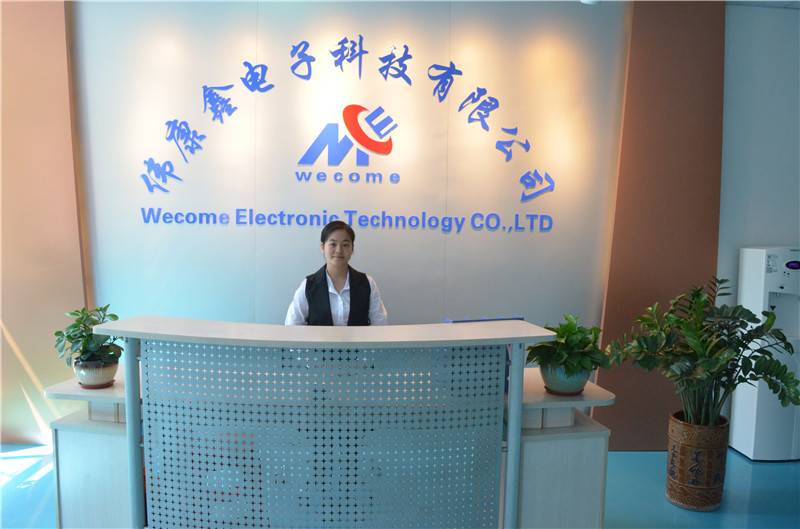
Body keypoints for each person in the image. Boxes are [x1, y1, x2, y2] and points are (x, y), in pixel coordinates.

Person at [285, 220, 388, 326]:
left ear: (352, 248)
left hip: (358, 338)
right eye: (333, 244)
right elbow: (293, 324)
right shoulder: (308, 286)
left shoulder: (367, 283)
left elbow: (380, 323)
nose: (339, 250)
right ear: (323, 247)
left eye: (345, 245)